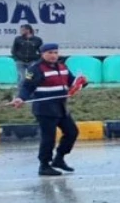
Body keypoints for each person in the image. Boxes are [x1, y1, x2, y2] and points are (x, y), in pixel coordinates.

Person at [12, 43, 82, 176]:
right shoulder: (36, 69)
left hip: (61, 107)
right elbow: (27, 87)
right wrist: (20, 98)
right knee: (48, 138)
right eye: (50, 53)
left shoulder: (62, 67)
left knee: (72, 132)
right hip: (45, 109)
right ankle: (44, 165)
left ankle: (59, 159)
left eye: (55, 52)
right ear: (42, 54)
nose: (53, 55)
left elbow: (71, 81)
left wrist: (81, 83)